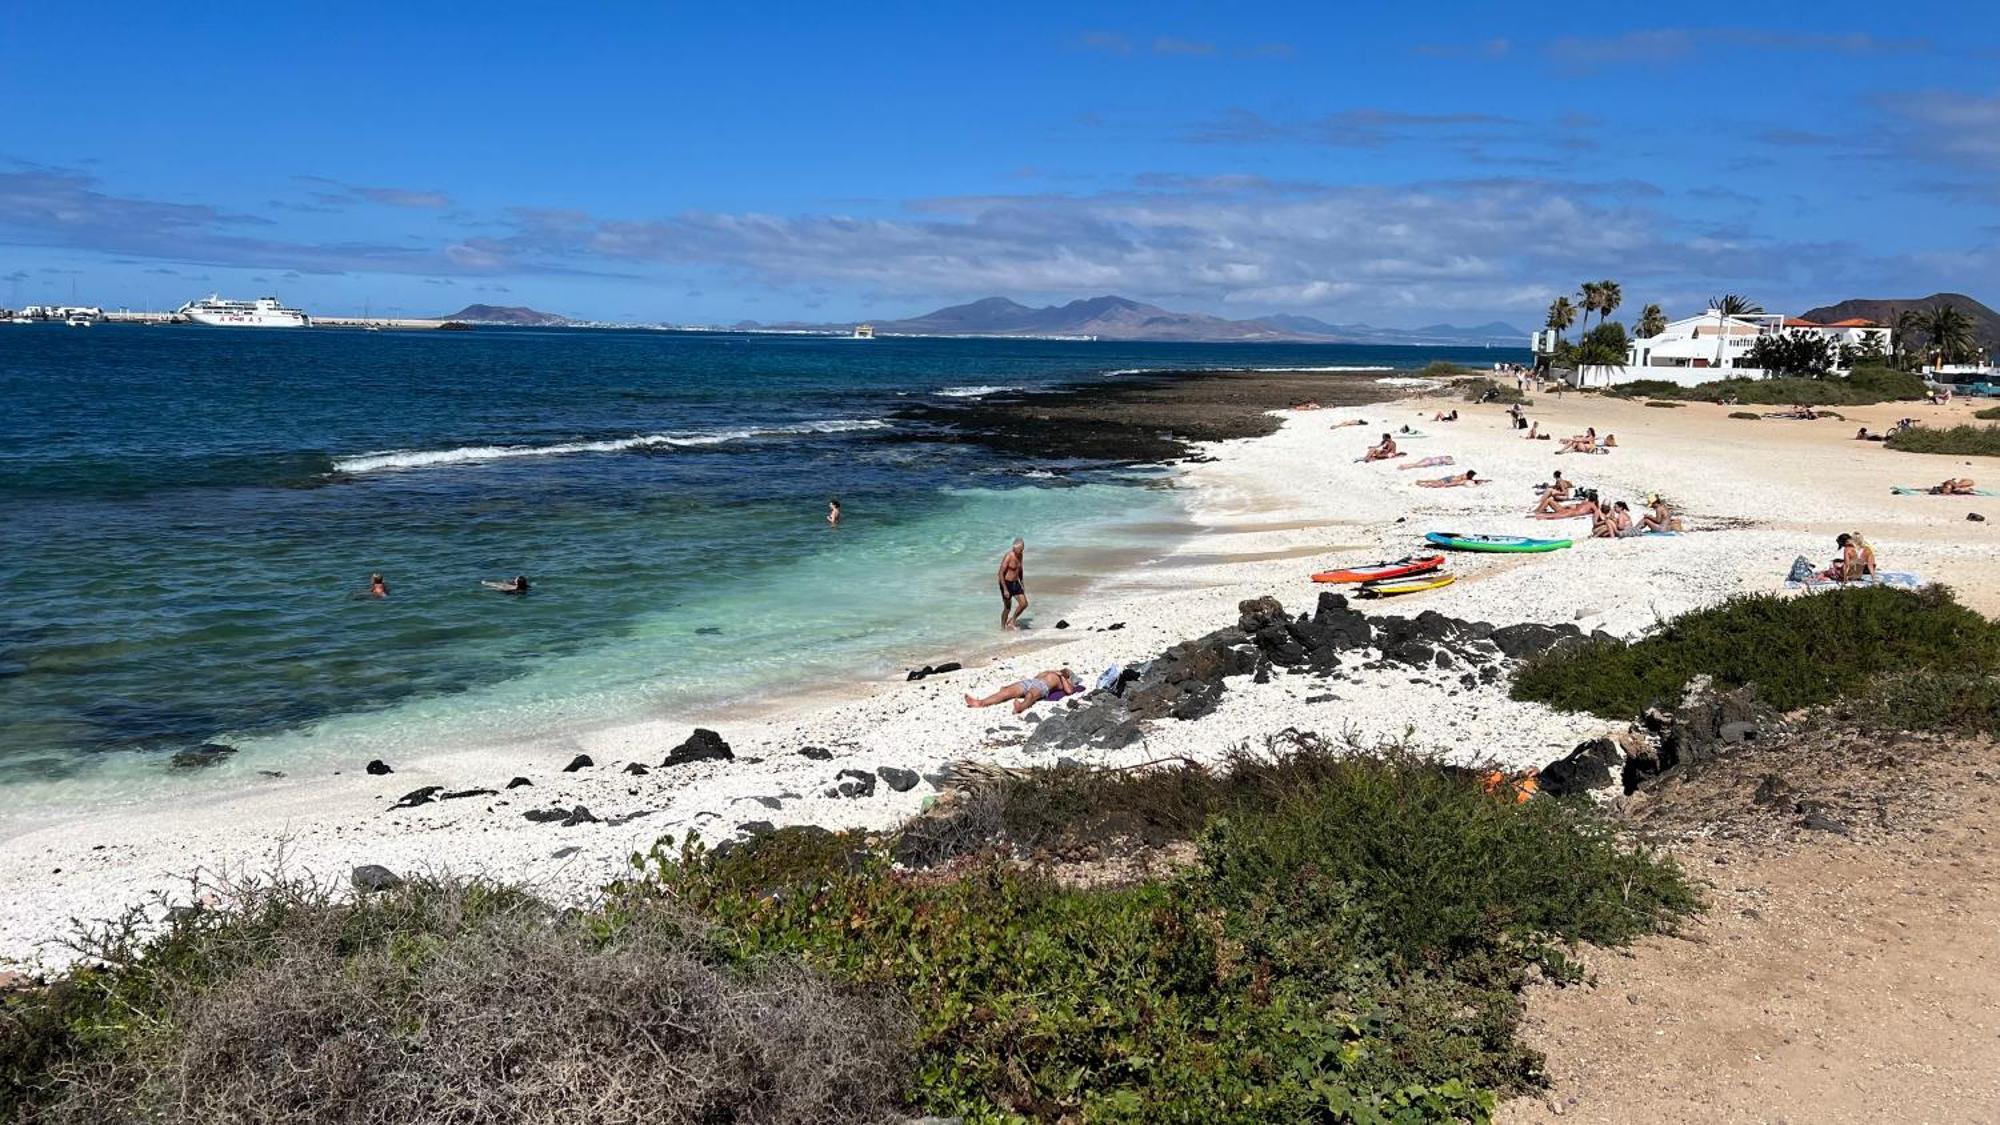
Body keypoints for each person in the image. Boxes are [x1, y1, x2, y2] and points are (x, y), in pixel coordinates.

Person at [964, 668, 1078, 714]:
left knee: (1030, 695)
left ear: (1068, 676)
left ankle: (1021, 707)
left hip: (1043, 687)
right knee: (1006, 691)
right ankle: (980, 703)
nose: (1063, 670)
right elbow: (1036, 677)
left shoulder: (1062, 680)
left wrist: (1062, 677)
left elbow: (1069, 691)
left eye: (1066, 672)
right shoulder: (1050, 672)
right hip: (1029, 681)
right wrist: (1051, 672)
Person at [997, 538, 1028, 629]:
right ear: (1014, 548)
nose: (1022, 551)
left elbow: (1020, 569)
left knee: (1024, 604)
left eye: (1022, 549)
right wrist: (1005, 589)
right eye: (1020, 549)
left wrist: (1022, 582)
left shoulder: (1020, 555)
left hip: (1016, 583)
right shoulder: (1008, 556)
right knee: (1007, 608)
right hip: (1006, 584)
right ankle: (1003, 627)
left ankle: (1012, 620)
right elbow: (1000, 573)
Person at [1417, 469, 1485, 488]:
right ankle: (1423, 485)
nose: (1473, 476)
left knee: (1436, 481)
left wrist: (1483, 480)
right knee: (1437, 484)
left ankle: (1421, 481)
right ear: (1470, 474)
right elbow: (1470, 481)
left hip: (1450, 477)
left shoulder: (1465, 475)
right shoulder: (1465, 478)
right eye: (1473, 475)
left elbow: (1472, 480)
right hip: (1450, 480)